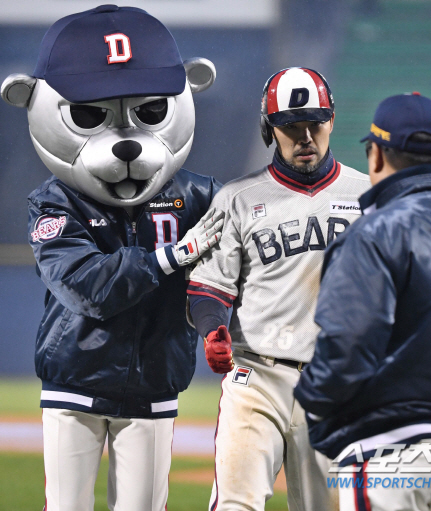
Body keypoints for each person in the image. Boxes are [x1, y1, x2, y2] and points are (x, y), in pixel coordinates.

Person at [2, 5, 223, 511]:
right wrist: (171, 257)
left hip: (154, 381)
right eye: (88, 115)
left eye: (151, 111)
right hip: (75, 380)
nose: (126, 143)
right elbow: (85, 286)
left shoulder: (200, 197)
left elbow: (242, 252)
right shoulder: (55, 202)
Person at [294, 93, 431, 511]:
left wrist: (311, 400)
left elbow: (347, 345)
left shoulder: (372, 234)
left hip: (384, 447)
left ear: (375, 155)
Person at [186, 67, 371, 511]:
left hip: (336, 382)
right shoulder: (237, 197)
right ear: (269, 129)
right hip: (256, 376)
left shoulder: (369, 196)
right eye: (291, 126)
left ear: (331, 121)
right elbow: (208, 286)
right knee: (235, 504)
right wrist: (213, 329)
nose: (306, 136)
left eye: (315, 123)